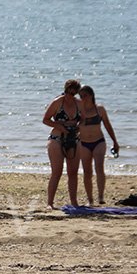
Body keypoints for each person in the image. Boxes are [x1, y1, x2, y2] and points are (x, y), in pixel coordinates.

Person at [42, 79, 84, 210]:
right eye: (68, 93)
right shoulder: (57, 102)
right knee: (57, 172)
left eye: (73, 94)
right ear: (65, 90)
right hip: (57, 138)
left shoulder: (79, 104)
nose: (70, 96)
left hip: (74, 139)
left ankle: (74, 202)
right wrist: (61, 127)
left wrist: (78, 127)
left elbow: (84, 120)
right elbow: (45, 120)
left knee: (73, 172)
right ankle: (50, 203)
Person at [78, 85, 119, 205]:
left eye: (85, 95)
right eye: (80, 96)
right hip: (83, 143)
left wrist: (115, 142)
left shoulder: (99, 109)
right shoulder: (79, 111)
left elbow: (107, 125)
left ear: (91, 95)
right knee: (87, 172)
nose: (82, 98)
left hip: (98, 142)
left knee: (99, 168)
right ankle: (90, 199)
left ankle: (100, 197)